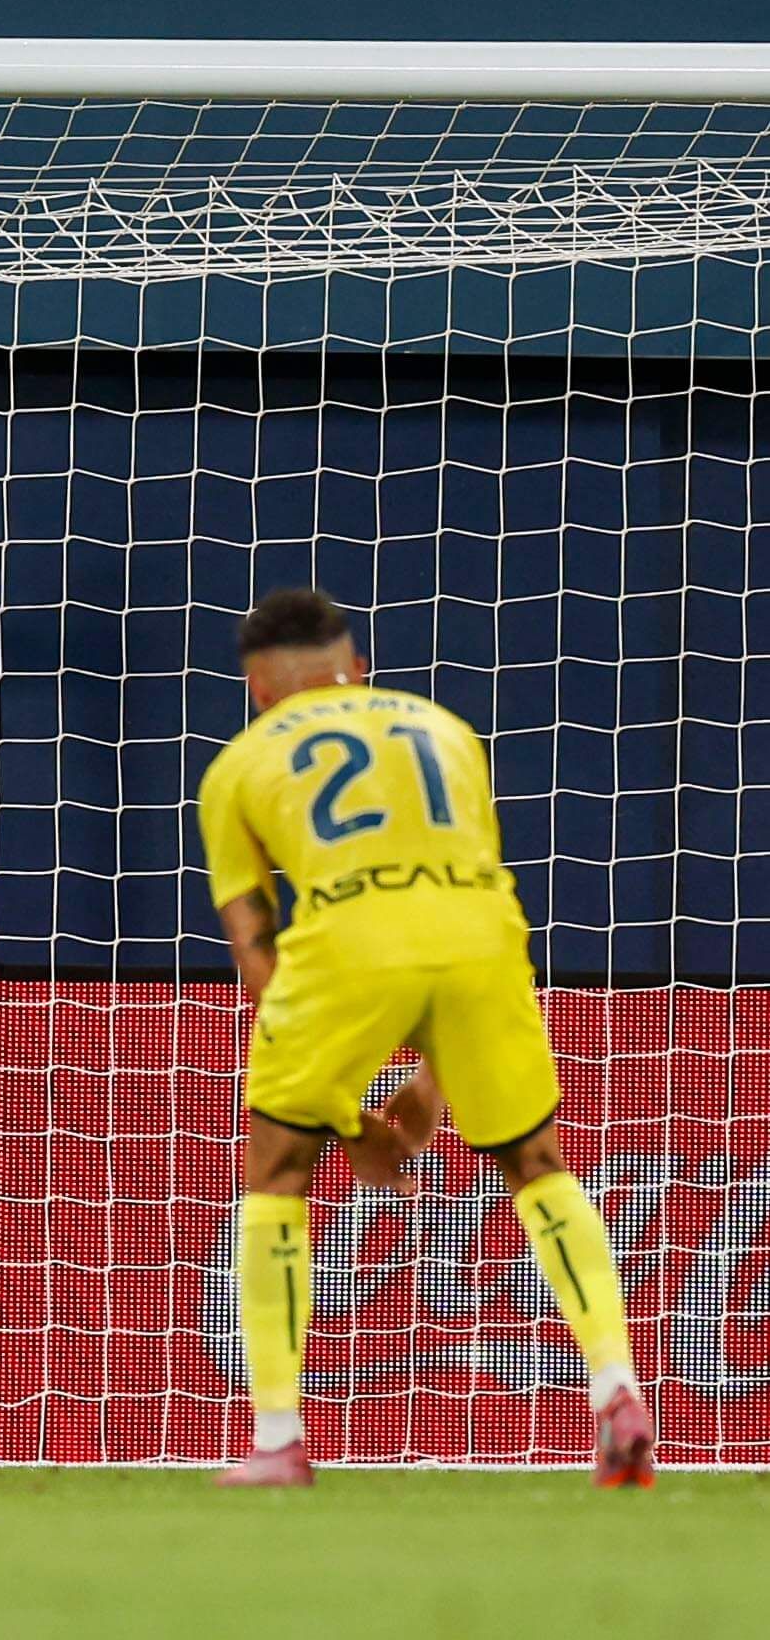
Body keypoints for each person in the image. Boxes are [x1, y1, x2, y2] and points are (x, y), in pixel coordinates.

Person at [199, 588, 652, 1487]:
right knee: (535, 1165)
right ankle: (616, 1389)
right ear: (358, 665)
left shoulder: (237, 766)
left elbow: (258, 953)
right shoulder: (445, 730)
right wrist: (437, 1086)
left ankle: (280, 1437)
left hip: (346, 939)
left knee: (278, 1169)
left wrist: (349, 1124)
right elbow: (460, 894)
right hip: (481, 939)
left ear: (257, 691)